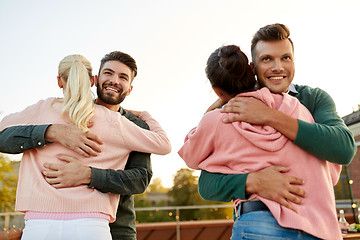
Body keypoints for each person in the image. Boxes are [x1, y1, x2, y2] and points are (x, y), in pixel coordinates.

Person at [197, 23, 356, 238]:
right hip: (261, 227)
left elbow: (344, 149)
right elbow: (207, 184)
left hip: (317, 227)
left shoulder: (313, 98)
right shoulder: (238, 106)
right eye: (267, 59)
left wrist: (270, 116)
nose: (277, 67)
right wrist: (253, 181)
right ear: (253, 67)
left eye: (285, 58)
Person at [0, 54, 171, 240]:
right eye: (109, 73)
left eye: (123, 77)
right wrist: (51, 132)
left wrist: (89, 174)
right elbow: (163, 144)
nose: (114, 80)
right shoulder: (115, 122)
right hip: (94, 223)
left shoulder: (44, 109)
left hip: (104, 227)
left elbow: (140, 179)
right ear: (94, 80)